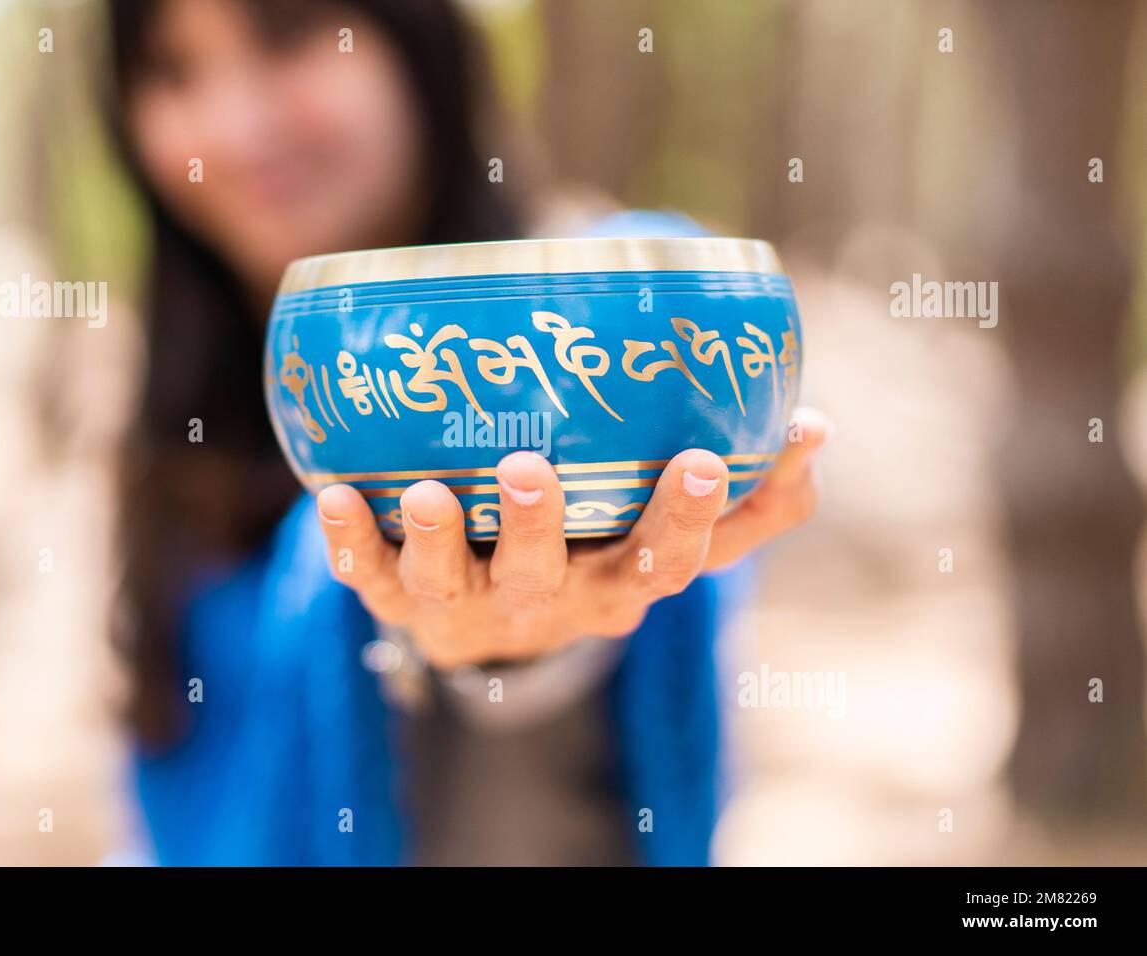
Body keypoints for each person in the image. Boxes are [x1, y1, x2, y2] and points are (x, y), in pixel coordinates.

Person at [109, 0, 829, 866]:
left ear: (417, 41)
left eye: (289, 34)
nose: (235, 125)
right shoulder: (178, 426)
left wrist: (521, 648)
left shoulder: (615, 319)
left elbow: (586, 608)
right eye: (172, 69)